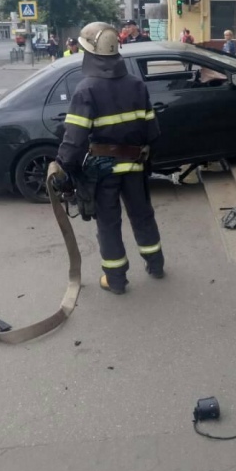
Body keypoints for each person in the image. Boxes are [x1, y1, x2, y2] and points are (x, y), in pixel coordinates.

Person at [55, 22, 165, 294]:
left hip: (103, 173)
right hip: (135, 167)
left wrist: (62, 168)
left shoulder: (86, 89)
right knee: (143, 216)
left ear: (91, 54)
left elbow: (74, 139)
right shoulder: (137, 86)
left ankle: (115, 280)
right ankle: (156, 264)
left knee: (108, 224)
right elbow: (153, 132)